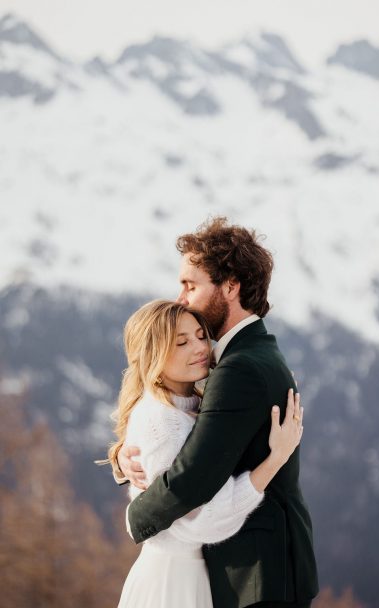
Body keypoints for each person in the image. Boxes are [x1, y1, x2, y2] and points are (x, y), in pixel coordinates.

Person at [114, 217, 319, 608]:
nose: (181, 298)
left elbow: (192, 477)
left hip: (257, 572)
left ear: (230, 286)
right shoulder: (256, 352)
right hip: (259, 564)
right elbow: (174, 428)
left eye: (190, 285)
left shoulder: (239, 368)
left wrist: (135, 517)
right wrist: (125, 456)